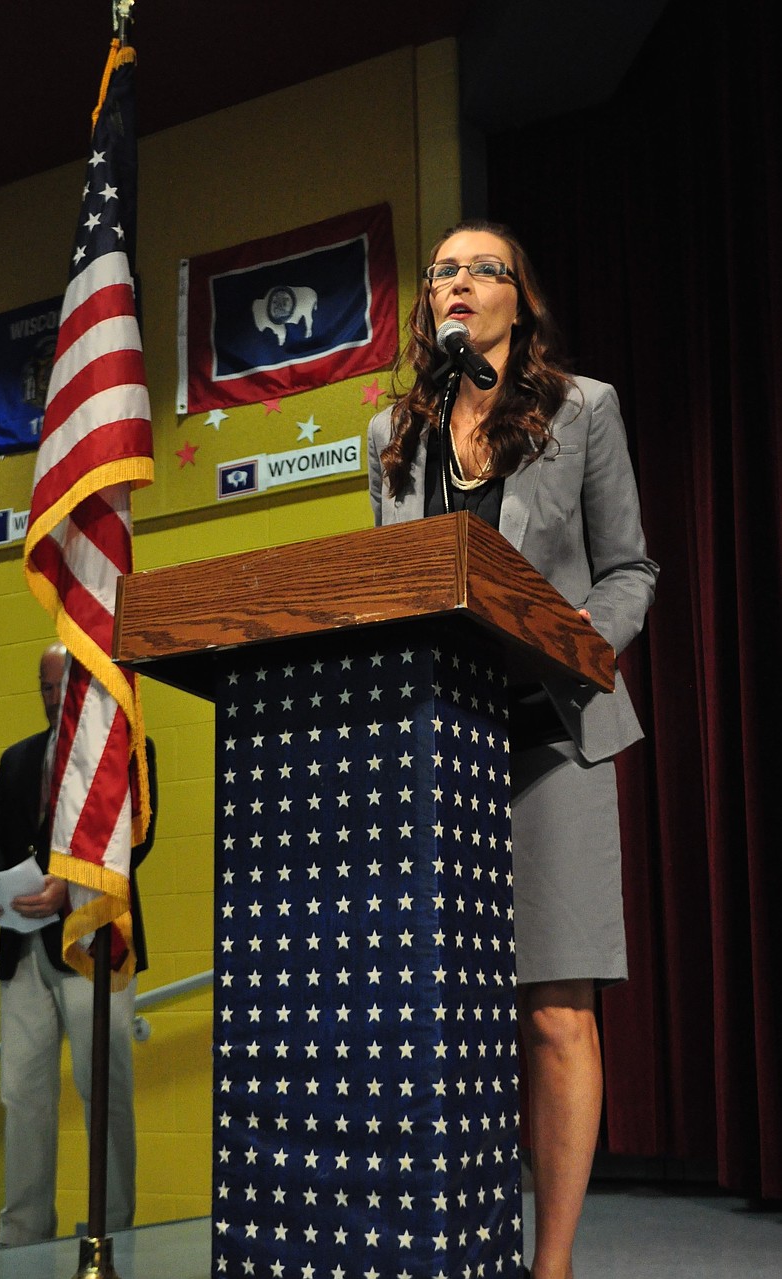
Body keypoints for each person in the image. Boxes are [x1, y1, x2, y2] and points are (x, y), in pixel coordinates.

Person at [368, 220, 658, 1279]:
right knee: (450, 1020)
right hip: (441, 752)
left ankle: (555, 1265)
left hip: (551, 740)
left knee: (553, 1013)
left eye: (477, 267)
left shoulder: (582, 412)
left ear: (517, 301)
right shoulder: (389, 439)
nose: (454, 281)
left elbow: (629, 570)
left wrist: (572, 646)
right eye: (440, 270)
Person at [0, 641, 157, 1247]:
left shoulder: (127, 754)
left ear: (87, 685)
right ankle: (22, 1235)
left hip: (92, 944)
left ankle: (115, 1228)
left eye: (63, 686)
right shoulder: (17, 758)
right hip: (21, 947)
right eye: (45, 687)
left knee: (104, 1090)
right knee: (22, 1094)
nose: (54, 697)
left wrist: (69, 889)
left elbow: (135, 844)